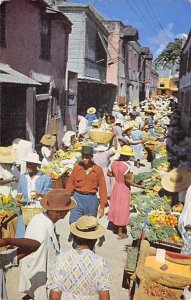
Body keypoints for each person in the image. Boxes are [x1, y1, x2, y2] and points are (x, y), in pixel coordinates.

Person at [19, 189, 76, 300]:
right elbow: (36, 266)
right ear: (61, 212)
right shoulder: (42, 231)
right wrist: (41, 295)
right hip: (39, 288)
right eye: (67, 210)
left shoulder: (41, 219)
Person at [47, 216, 111, 300]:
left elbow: (54, 296)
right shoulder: (100, 262)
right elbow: (104, 297)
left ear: (74, 236)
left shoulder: (62, 259)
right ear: (94, 239)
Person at [107, 146, 144, 239]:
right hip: (123, 188)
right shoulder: (127, 166)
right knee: (122, 209)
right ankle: (120, 232)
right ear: (127, 156)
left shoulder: (114, 163)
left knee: (115, 206)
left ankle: (114, 226)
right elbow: (127, 181)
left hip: (116, 186)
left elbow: (109, 173)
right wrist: (139, 186)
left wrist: (116, 174)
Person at [66, 146, 108, 224]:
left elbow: (103, 187)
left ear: (91, 157)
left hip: (91, 199)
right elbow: (70, 184)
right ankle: (74, 236)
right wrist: (67, 199)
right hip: (77, 197)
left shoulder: (98, 169)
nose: (84, 159)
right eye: (83, 157)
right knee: (73, 221)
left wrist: (102, 205)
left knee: (89, 224)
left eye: (87, 157)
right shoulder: (77, 167)